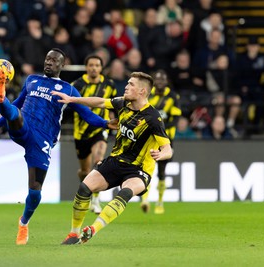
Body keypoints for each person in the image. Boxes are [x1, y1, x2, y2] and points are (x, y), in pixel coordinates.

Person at [0, 48, 117, 245]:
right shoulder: (32, 80)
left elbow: (86, 114)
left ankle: (24, 223)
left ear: (62, 65)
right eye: (47, 59)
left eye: (54, 60)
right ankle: (0, 96)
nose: (49, 63)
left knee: (35, 191)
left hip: (43, 139)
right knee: (15, 113)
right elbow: (19, 102)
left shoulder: (68, 90)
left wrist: (105, 124)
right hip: (25, 126)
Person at [54, 72, 172, 245]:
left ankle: (93, 229)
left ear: (142, 91)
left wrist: (161, 154)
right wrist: (72, 100)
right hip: (115, 161)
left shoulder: (153, 118)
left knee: (124, 193)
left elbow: (168, 149)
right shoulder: (122, 103)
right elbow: (101, 102)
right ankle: (73, 234)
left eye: (131, 84)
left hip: (139, 170)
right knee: (84, 188)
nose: (126, 86)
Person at [71, 54, 117, 214]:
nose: (94, 68)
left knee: (98, 161)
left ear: (101, 68)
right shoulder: (77, 85)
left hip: (100, 129)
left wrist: (113, 120)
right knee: (84, 171)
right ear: (86, 67)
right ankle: (86, 192)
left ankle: (96, 201)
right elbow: (70, 104)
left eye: (97, 65)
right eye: (91, 65)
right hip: (81, 133)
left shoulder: (109, 84)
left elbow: (114, 106)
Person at [140, 69, 181, 214]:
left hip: (165, 139)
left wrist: (159, 127)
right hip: (148, 138)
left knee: (162, 171)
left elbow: (175, 119)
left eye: (162, 80)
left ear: (166, 81)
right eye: (157, 80)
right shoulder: (147, 95)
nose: (160, 82)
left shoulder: (173, 96)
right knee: (146, 168)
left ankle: (160, 201)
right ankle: (145, 199)